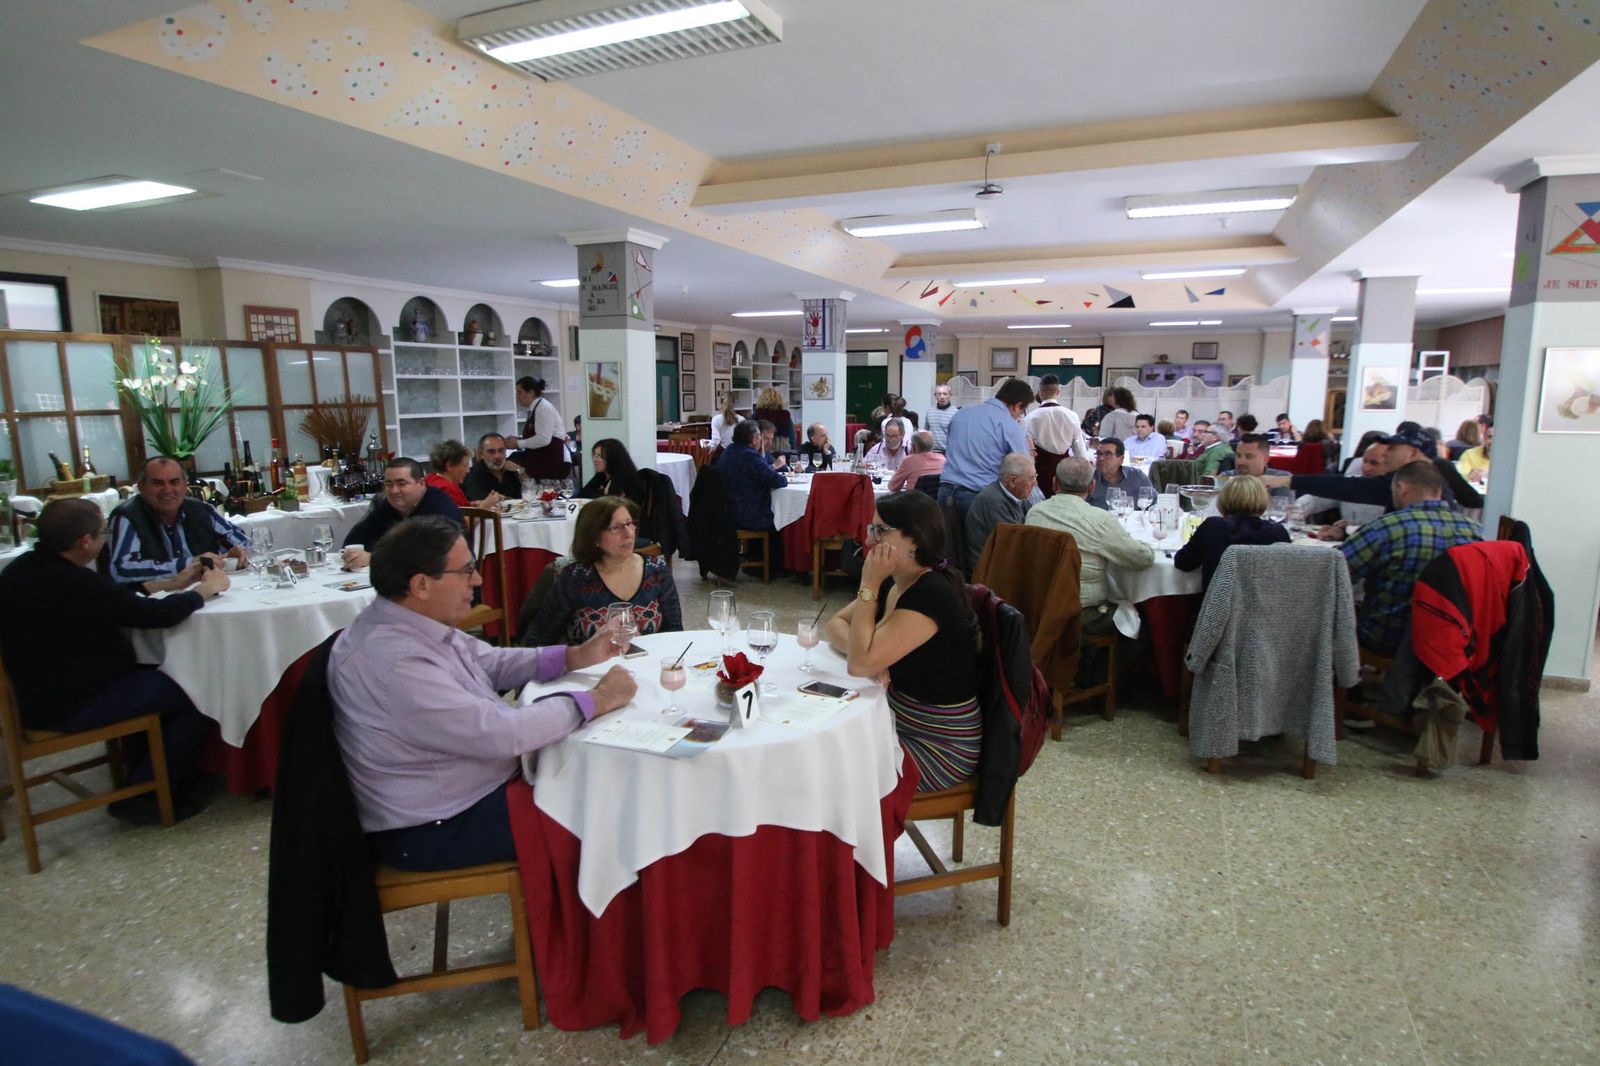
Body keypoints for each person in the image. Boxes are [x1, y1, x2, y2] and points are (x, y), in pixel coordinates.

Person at [330, 516, 636, 870]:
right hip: (435, 825)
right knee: (613, 809)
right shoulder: (396, 662)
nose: (477, 580)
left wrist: (574, 656)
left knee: (599, 779)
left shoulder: (404, 621)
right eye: (466, 571)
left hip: (454, 795)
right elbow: (505, 734)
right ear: (422, 585)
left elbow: (490, 661)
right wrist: (597, 700)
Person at [0, 498, 229, 824]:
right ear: (85, 542)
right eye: (103, 532)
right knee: (199, 687)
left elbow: (117, 601)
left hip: (35, 695)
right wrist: (203, 591)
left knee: (159, 672)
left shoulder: (21, 571)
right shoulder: (75, 583)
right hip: (73, 703)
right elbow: (155, 616)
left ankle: (151, 771)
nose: (106, 538)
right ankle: (146, 793)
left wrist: (173, 584)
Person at [824, 491, 980, 793]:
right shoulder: (899, 581)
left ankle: (854, 838)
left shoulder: (930, 592)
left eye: (880, 531)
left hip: (938, 746)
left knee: (829, 770)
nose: (869, 541)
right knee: (822, 744)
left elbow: (859, 663)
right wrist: (871, 655)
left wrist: (868, 584)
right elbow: (836, 625)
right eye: (872, 529)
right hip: (897, 720)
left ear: (915, 539)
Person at [1340, 460, 1482, 656]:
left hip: (1388, 637)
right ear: (1438, 491)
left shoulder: (1387, 526)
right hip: (1452, 639)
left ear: (1401, 488)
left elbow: (1336, 572)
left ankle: (1339, 679)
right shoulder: (1474, 529)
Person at [522, 496, 683, 647]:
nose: (628, 534)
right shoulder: (575, 578)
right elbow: (537, 640)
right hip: (589, 672)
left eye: (629, 524)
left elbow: (675, 632)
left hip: (647, 668)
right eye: (615, 528)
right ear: (594, 538)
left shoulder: (657, 570)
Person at [1025, 457, 1154, 636]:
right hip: (1083, 612)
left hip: (1038, 604)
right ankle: (1112, 662)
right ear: (1092, 486)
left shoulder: (1034, 512)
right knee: (1146, 620)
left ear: (1054, 483)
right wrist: (1147, 542)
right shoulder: (1099, 520)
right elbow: (1143, 559)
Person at [1266, 427, 1482, 522]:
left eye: (1392, 450)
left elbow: (1348, 487)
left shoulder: (1404, 480)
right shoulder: (1441, 469)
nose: (1386, 455)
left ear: (1413, 453)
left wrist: (1287, 480)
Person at [106, 456, 249, 591]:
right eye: (157, 483)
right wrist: (188, 564)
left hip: (209, 592)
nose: (167, 490)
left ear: (185, 485)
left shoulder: (199, 509)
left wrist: (238, 551)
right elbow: (122, 569)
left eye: (174, 482)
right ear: (142, 487)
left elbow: (244, 542)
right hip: (155, 604)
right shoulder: (127, 516)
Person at [1173, 475, 1290, 592]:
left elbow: (1183, 563)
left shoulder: (1214, 526)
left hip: (1218, 607)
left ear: (1223, 499)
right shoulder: (1277, 532)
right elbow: (1288, 574)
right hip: (1268, 608)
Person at [341, 458, 463, 568]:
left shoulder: (438, 506)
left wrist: (375, 558)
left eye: (401, 484)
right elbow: (355, 539)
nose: (394, 490)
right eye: (389, 484)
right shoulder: (390, 505)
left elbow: (431, 554)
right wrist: (353, 555)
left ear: (421, 484)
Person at [938, 377, 1034, 509]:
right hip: (980, 496)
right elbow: (1024, 468)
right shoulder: (1010, 426)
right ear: (1018, 406)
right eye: (1022, 412)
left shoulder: (961, 414)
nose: (1020, 416)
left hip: (946, 491)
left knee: (948, 530)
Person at [715, 419, 788, 549]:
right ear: (754, 439)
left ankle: (754, 557)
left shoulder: (729, 451)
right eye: (760, 437)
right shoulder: (750, 457)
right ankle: (774, 565)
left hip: (727, 510)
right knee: (783, 520)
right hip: (746, 514)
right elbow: (778, 481)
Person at [962, 453, 1036, 571]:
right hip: (987, 569)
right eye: (1032, 478)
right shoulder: (993, 501)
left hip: (1003, 561)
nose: (1035, 483)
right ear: (1012, 481)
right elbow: (1015, 542)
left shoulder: (1018, 496)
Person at [1023, 373, 1089, 495]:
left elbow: (1026, 450)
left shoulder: (1030, 418)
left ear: (1040, 392)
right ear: (1058, 392)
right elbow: (1079, 449)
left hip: (1040, 470)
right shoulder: (1072, 416)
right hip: (1065, 471)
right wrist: (1086, 473)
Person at [509, 376, 569, 481]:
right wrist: (519, 439)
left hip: (551, 460)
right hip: (543, 459)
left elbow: (543, 439)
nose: (517, 396)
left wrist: (518, 443)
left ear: (531, 393)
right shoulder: (537, 408)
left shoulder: (543, 408)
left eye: (519, 392)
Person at [1088, 438, 1153, 509]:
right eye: (1099, 454)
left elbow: (1154, 503)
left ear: (1121, 459)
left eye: (1107, 454)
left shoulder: (1137, 477)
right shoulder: (1089, 479)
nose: (1101, 458)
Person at [425, 439, 488, 508]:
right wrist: (485, 505)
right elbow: (461, 518)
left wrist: (470, 504)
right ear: (449, 465)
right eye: (465, 466)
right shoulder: (447, 489)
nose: (468, 471)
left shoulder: (430, 478)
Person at [579, 437, 645, 503]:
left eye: (599, 456)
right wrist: (603, 494)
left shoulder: (622, 477)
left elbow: (609, 504)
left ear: (612, 458)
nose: (595, 460)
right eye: (594, 455)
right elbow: (582, 495)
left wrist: (600, 494)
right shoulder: (602, 476)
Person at [463, 433, 523, 502]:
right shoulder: (472, 475)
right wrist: (508, 500)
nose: (497, 456)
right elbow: (480, 502)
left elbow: (528, 495)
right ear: (481, 454)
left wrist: (521, 472)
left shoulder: (512, 470)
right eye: (491, 452)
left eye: (501, 450)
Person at [926, 382, 958, 453]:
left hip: (948, 453)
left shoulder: (955, 413)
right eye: (939, 394)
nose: (942, 397)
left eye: (945, 394)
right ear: (935, 396)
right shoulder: (930, 412)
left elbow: (957, 436)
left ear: (950, 395)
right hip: (931, 452)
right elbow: (927, 431)